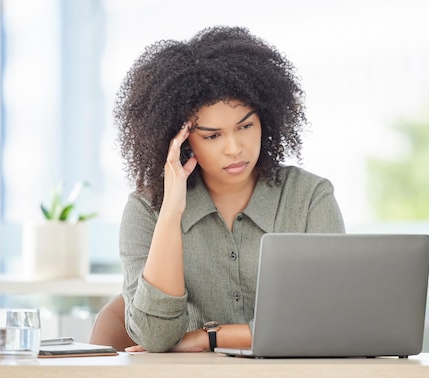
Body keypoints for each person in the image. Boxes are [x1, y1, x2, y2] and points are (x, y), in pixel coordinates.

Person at [114, 25, 345, 353]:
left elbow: (330, 322)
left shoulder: (309, 198)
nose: (235, 148)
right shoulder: (145, 210)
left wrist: (210, 338)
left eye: (246, 126)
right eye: (212, 135)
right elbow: (155, 338)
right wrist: (171, 213)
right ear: (179, 141)